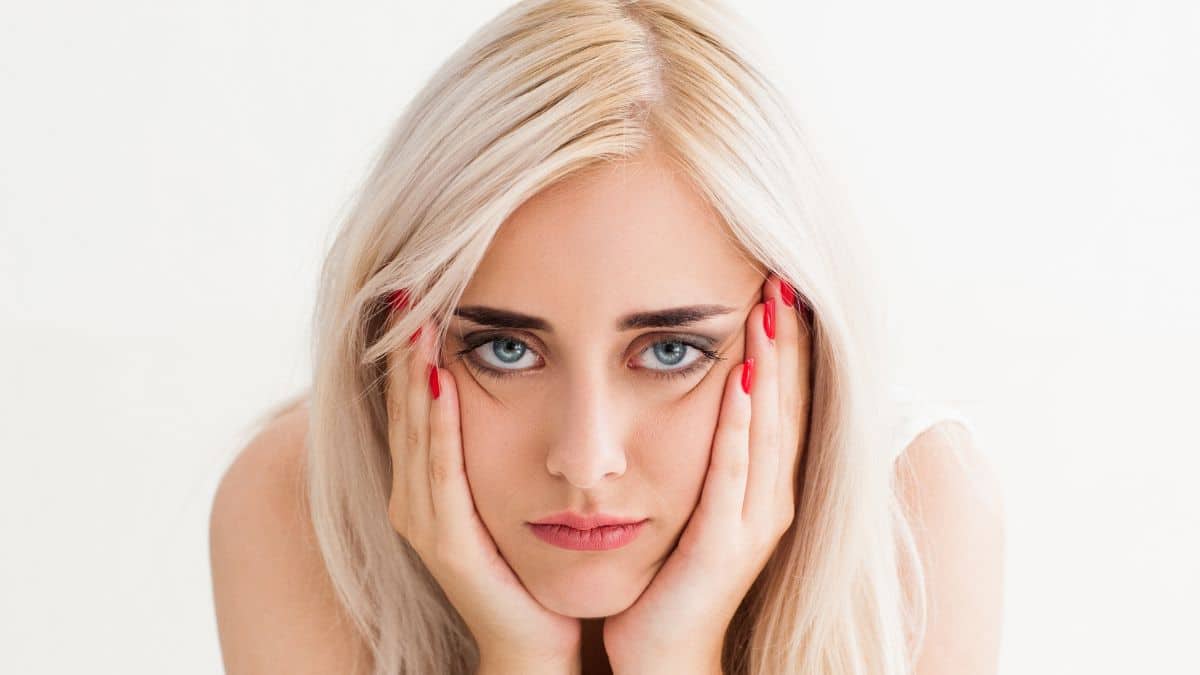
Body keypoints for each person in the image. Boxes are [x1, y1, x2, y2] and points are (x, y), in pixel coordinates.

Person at [209, 1, 1005, 674]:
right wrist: (520, 657)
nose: (586, 458)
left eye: (671, 352)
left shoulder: (915, 505)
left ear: (794, 341)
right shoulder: (294, 500)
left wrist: (677, 655)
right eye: (505, 349)